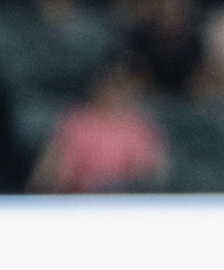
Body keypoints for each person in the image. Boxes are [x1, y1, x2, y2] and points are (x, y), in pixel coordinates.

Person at [28, 60, 169, 193]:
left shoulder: (141, 127)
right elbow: (48, 176)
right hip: (78, 207)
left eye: (122, 85)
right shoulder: (74, 123)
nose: (115, 92)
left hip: (127, 207)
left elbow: (153, 176)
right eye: (111, 84)